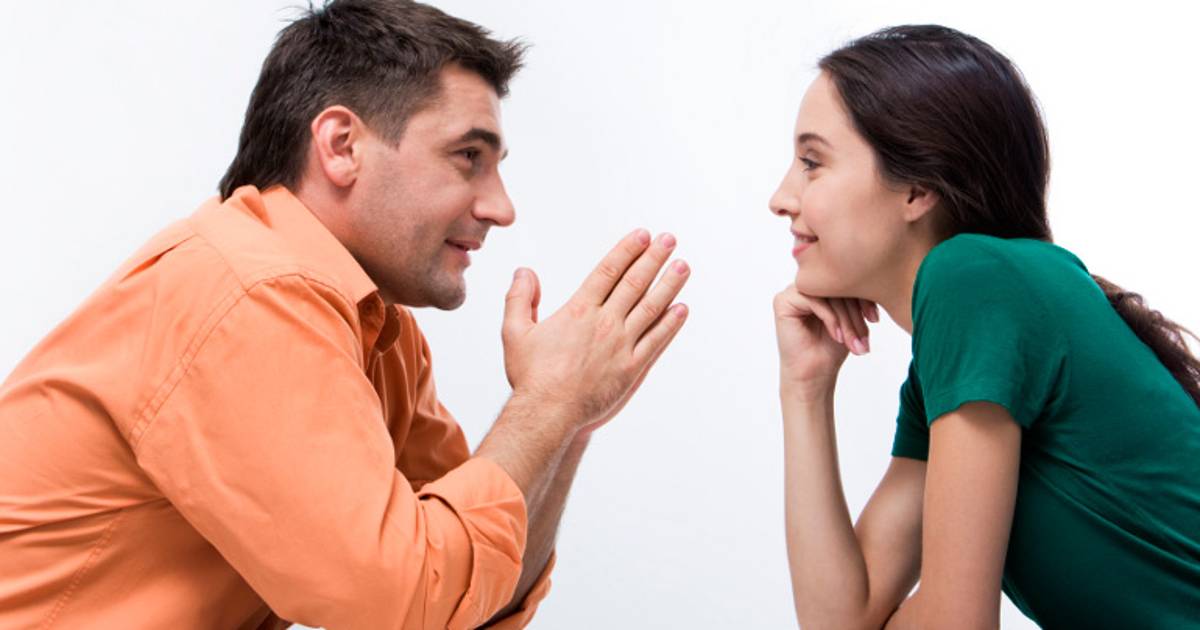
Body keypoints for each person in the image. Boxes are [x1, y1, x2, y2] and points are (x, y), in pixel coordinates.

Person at [0, 1, 690, 628]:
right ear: (340, 146)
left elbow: (467, 594)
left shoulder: (376, 330)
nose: (500, 207)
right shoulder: (249, 292)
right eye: (468, 157)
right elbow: (401, 603)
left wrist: (567, 422)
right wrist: (544, 404)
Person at [771, 25, 1200, 629]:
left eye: (813, 164)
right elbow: (842, 618)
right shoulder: (966, 332)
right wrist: (805, 387)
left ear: (918, 188)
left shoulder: (970, 279)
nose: (780, 198)